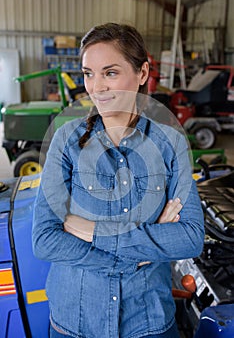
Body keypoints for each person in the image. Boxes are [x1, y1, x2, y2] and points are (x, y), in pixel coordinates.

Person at [32, 23, 204, 338]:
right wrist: (144, 247)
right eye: (88, 73)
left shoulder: (170, 144)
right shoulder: (66, 142)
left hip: (148, 322)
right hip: (75, 322)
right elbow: (45, 238)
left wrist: (92, 230)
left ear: (142, 73)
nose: (96, 88)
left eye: (110, 73)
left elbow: (190, 237)